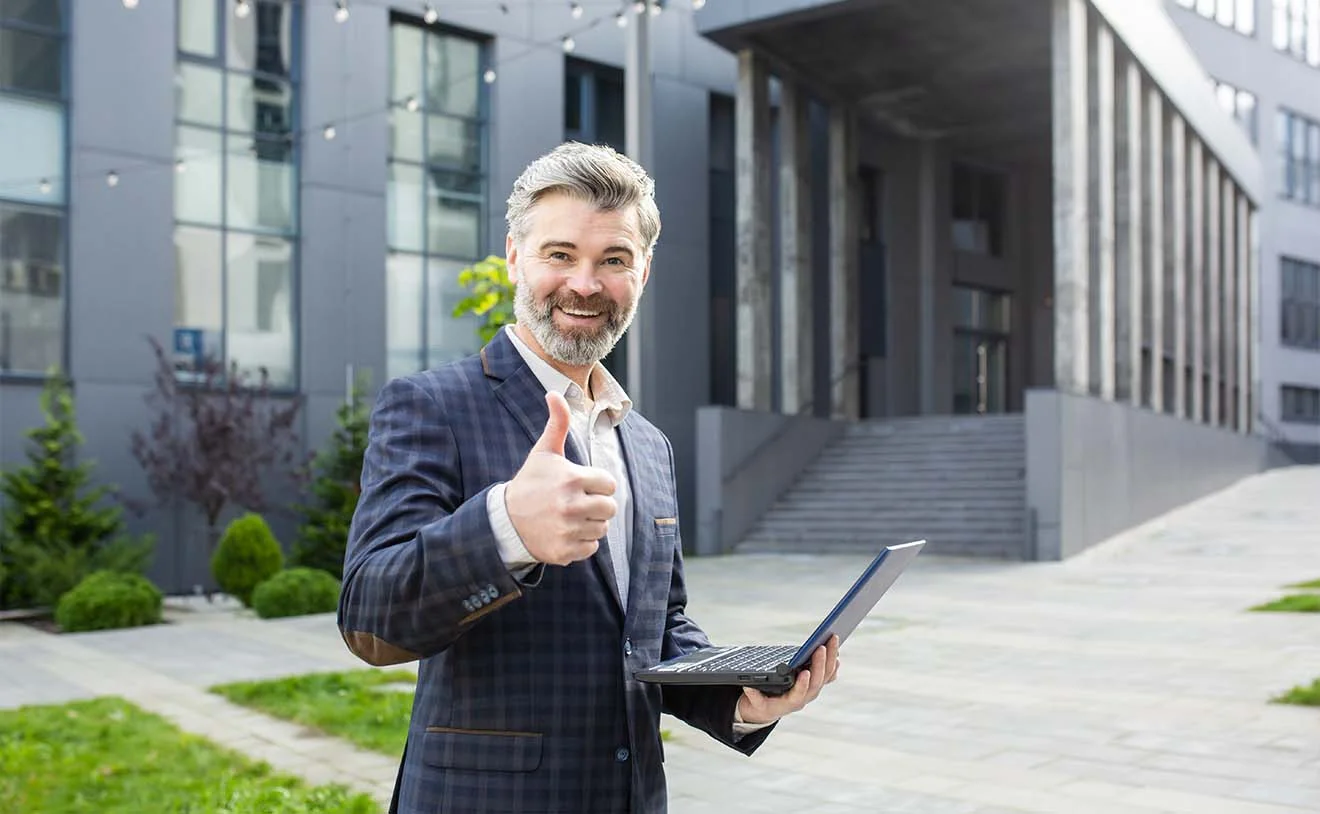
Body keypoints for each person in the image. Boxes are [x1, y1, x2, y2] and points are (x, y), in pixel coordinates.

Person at [338, 142, 840, 814]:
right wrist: (507, 526)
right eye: (559, 255)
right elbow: (370, 614)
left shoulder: (648, 444)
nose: (584, 284)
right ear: (515, 256)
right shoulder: (432, 406)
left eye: (613, 260)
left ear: (644, 271)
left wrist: (738, 699)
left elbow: (660, 630)